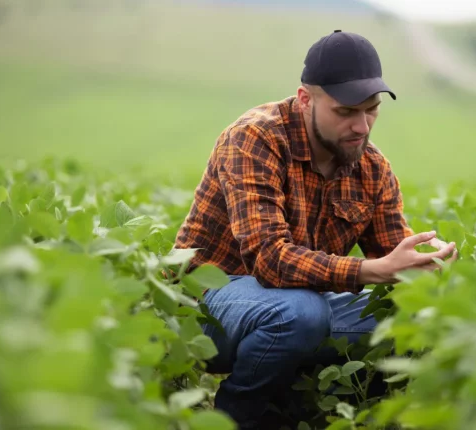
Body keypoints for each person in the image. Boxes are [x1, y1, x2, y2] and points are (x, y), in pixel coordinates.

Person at [173, 29, 458, 429]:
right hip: (207, 306)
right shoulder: (256, 137)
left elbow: (395, 254)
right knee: (300, 313)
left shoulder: (372, 168)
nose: (362, 126)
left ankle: (318, 411)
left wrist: (430, 260)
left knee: (411, 315)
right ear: (306, 98)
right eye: (345, 112)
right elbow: (268, 260)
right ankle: (231, 419)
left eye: (371, 110)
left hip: (297, 306)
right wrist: (366, 271)